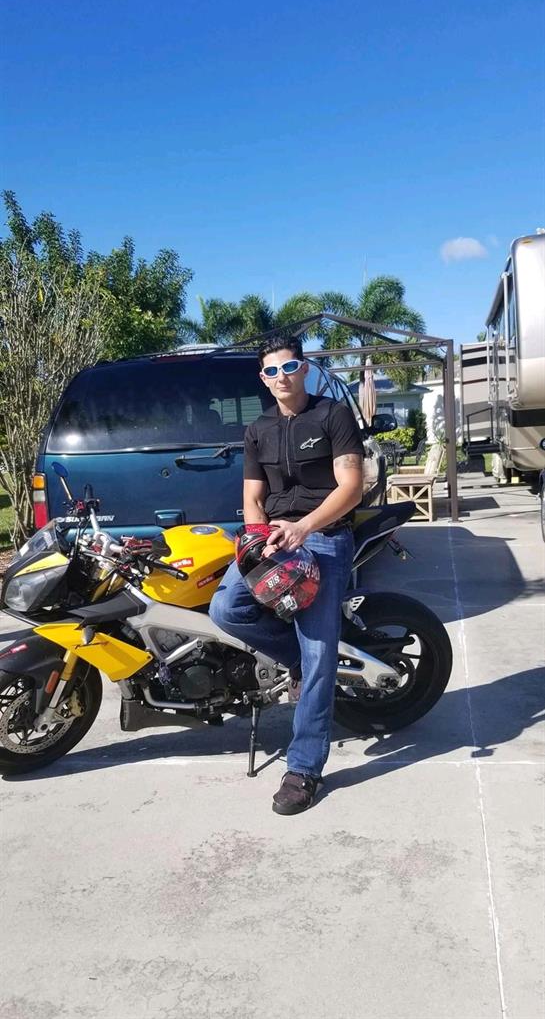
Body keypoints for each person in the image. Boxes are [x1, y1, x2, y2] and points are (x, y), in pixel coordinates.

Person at [209, 334, 364, 815]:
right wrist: (259, 540)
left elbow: (352, 486)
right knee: (225, 607)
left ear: (305, 368)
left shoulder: (333, 415)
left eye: (290, 367)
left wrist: (304, 527)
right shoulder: (257, 430)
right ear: (263, 378)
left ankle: (303, 768)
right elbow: (253, 498)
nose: (282, 377)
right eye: (272, 371)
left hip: (322, 535)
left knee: (320, 653)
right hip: (272, 539)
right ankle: (296, 659)